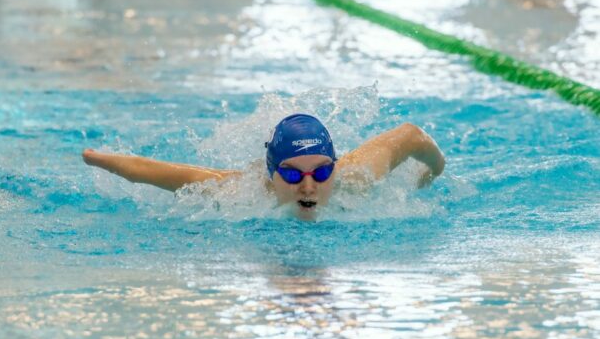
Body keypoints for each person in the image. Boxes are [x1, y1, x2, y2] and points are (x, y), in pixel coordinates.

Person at [82, 114, 445, 220]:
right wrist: (98, 159)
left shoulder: (356, 179)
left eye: (321, 171)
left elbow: (411, 135)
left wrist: (432, 173)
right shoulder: (242, 195)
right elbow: (156, 172)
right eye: (290, 174)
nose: (308, 186)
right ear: (271, 175)